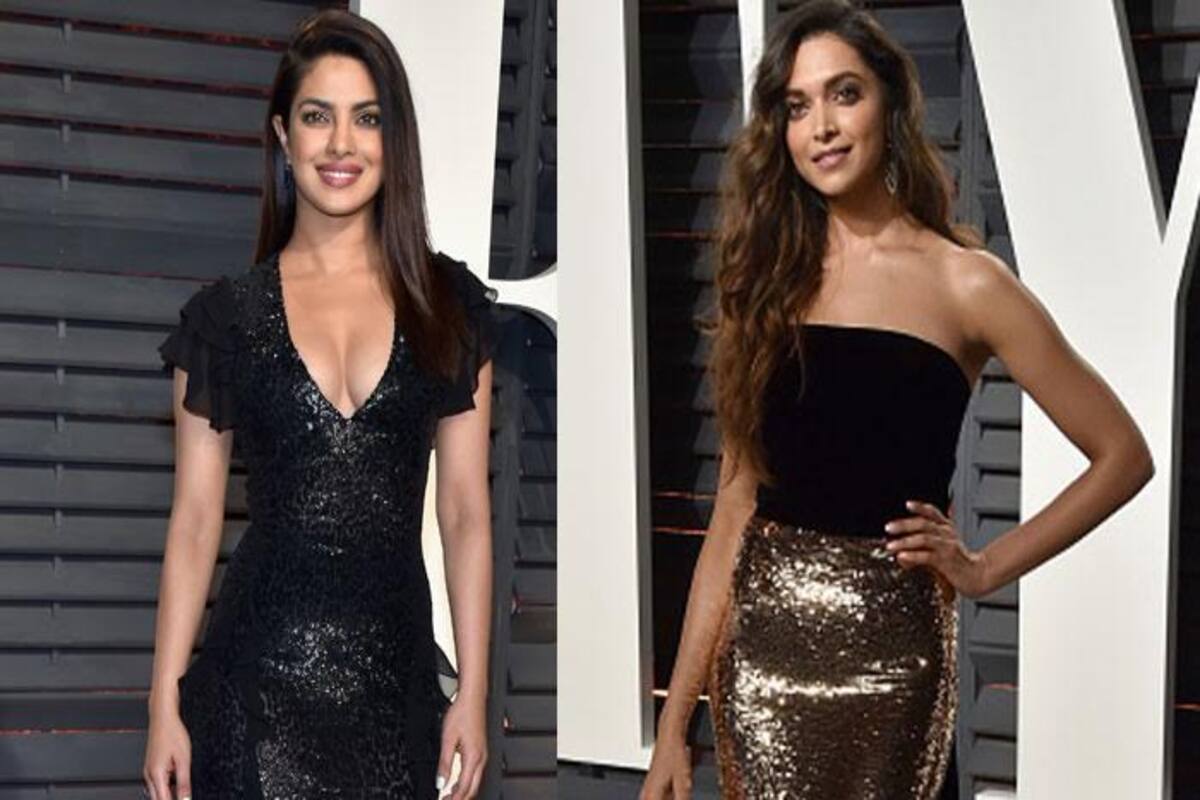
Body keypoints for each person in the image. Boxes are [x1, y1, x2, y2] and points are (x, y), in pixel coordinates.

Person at [639, 1, 1155, 798]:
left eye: (844, 94)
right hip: (762, 674)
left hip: (897, 676)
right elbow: (734, 507)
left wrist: (984, 568)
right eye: (797, 106)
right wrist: (675, 725)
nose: (822, 127)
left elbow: (1123, 455)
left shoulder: (967, 283)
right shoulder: (764, 279)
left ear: (890, 103)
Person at [141, 10, 497, 799]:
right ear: (282, 135)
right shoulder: (224, 321)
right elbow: (194, 521)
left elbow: (466, 512)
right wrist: (163, 703)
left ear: (393, 140)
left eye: (366, 118)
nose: (341, 144)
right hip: (251, 691)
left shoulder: (448, 307)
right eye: (316, 116)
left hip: (394, 693)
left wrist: (473, 690)